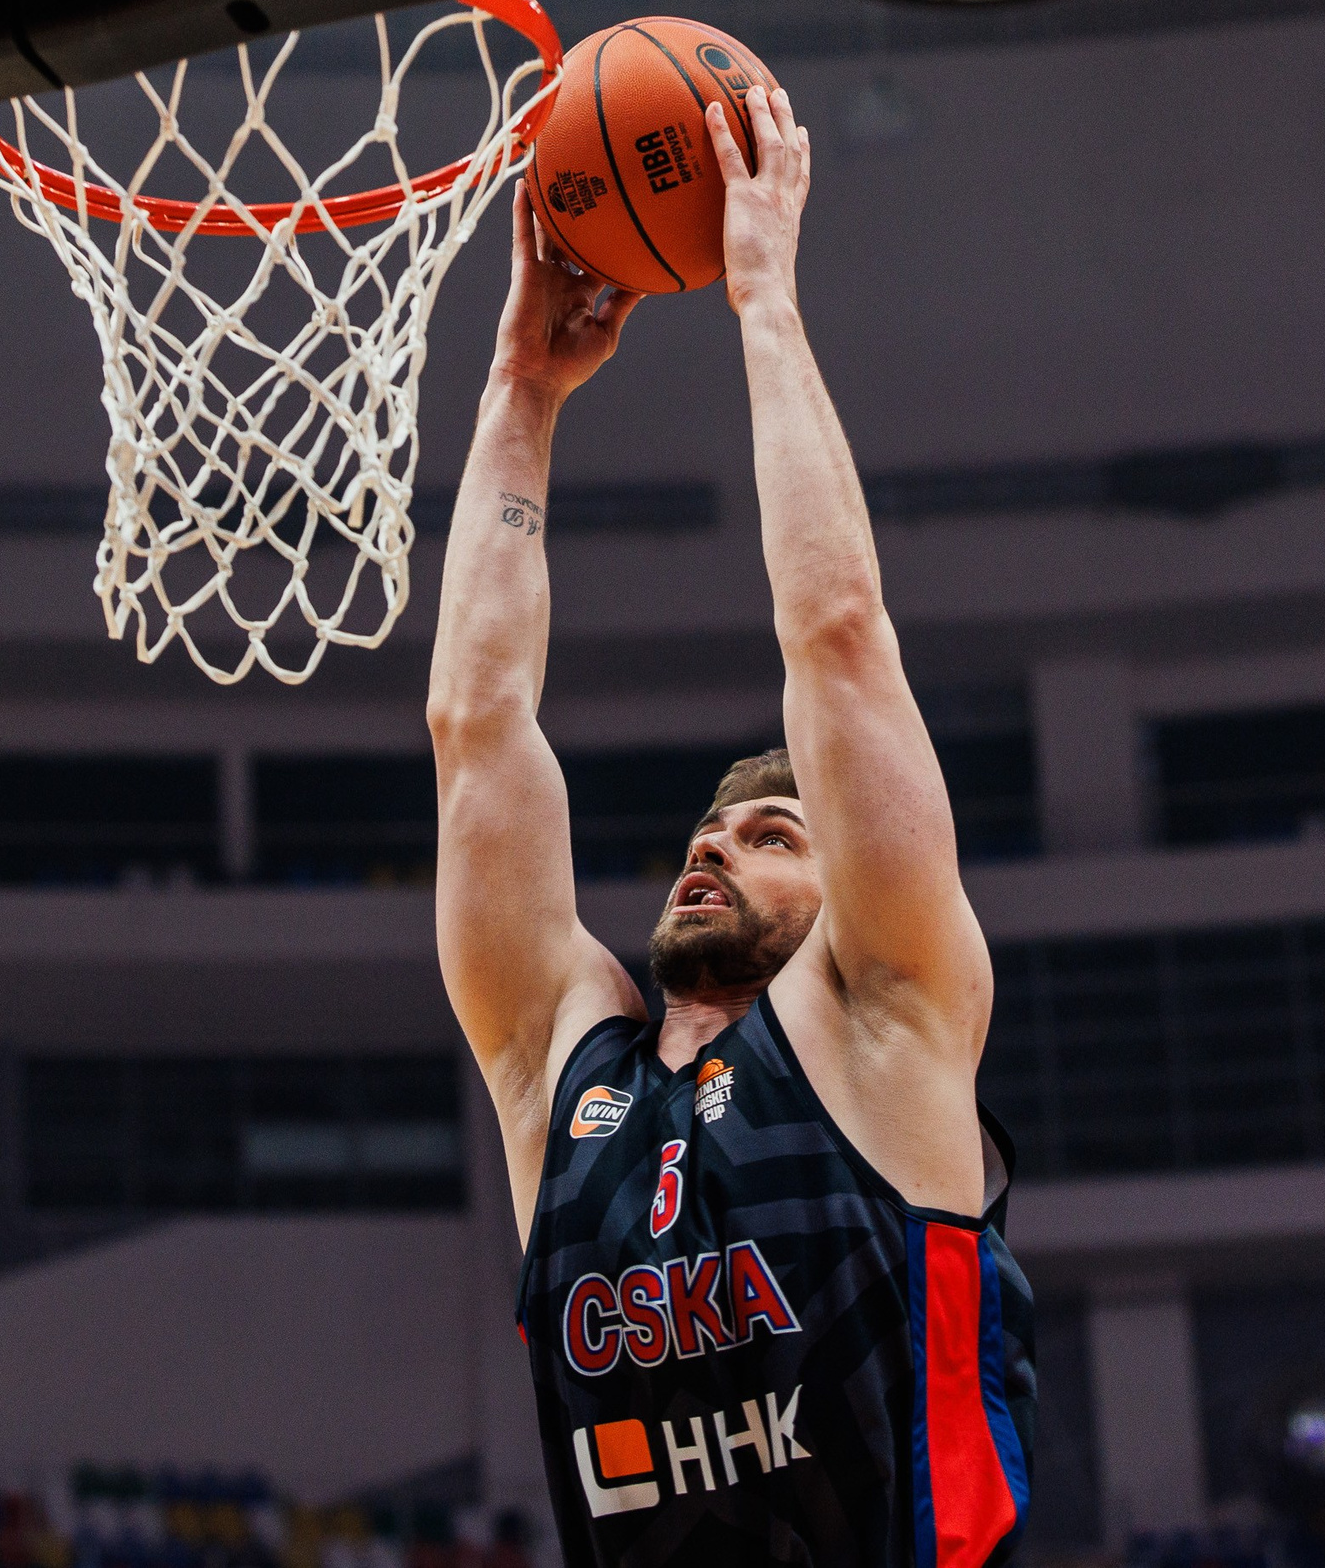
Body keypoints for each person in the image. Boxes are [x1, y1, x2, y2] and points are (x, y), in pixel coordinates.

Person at [426, 86, 1035, 1568]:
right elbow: (475, 733)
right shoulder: (558, 1074)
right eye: (713, 827)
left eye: (773, 832)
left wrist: (761, 290)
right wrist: (520, 392)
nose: (714, 843)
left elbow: (834, 631)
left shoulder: (884, 1018)